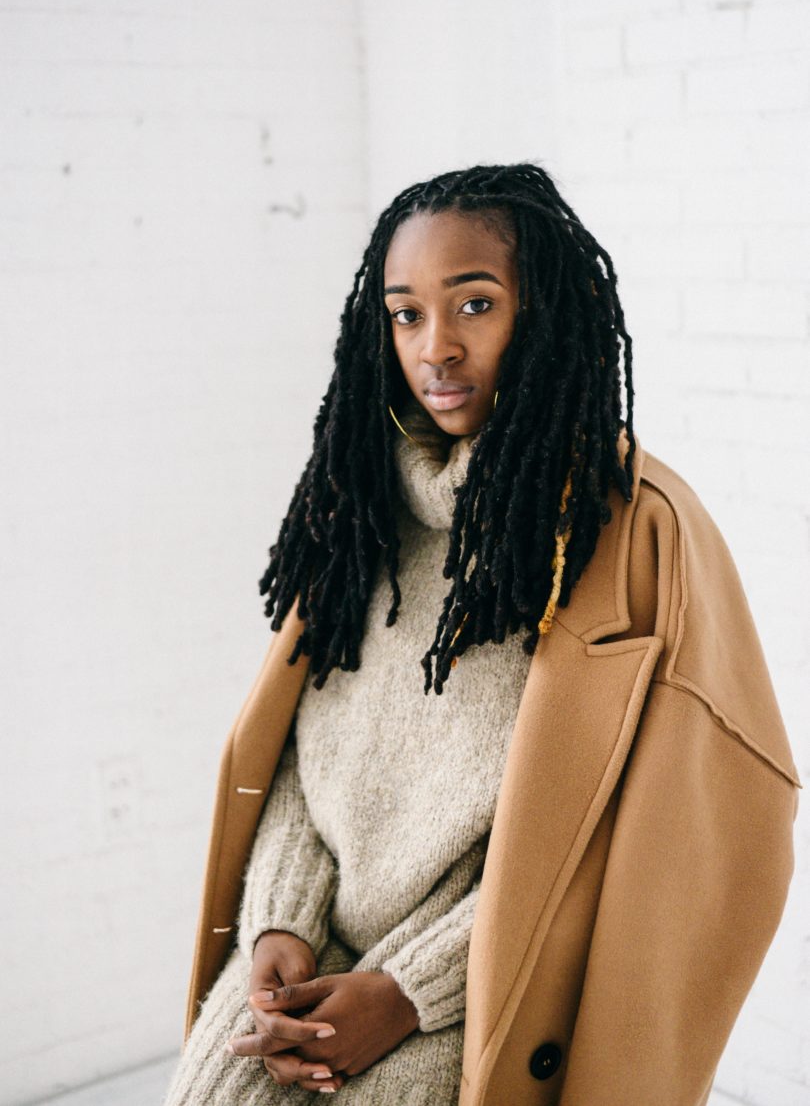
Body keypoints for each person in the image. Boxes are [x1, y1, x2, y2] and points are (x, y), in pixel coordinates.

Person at [164, 162, 800, 1106]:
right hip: (318, 948)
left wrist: (408, 991)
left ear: (542, 311)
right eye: (406, 313)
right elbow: (300, 755)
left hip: (492, 987)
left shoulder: (632, 528)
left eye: (475, 304)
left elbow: (637, 841)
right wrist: (280, 927)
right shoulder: (356, 508)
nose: (436, 348)